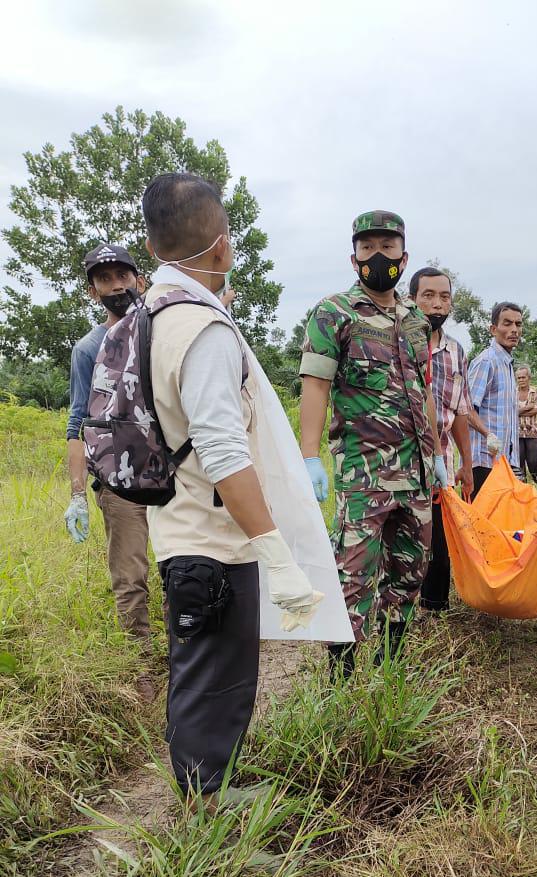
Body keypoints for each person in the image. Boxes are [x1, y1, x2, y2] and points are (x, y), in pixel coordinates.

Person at [141, 172, 321, 798]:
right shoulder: (202, 329)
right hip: (213, 543)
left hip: (178, 528)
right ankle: (206, 821)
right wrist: (278, 556)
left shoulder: (153, 316)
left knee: (208, 680)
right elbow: (223, 451)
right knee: (213, 686)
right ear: (220, 246)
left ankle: (209, 799)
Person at [299, 211, 447, 673]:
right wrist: (308, 456)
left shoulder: (416, 320)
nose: (378, 256)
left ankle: (389, 669)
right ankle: (340, 678)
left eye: (387, 246)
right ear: (353, 256)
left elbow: (422, 392)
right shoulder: (333, 314)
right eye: (368, 248)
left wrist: (439, 454)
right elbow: (316, 385)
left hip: (418, 474)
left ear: (404, 256)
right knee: (354, 577)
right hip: (365, 477)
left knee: (408, 576)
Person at [64, 244, 156, 702]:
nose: (116, 285)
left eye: (123, 275)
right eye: (105, 279)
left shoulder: (162, 328)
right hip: (119, 480)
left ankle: (195, 661)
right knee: (130, 578)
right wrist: (79, 493)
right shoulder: (88, 348)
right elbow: (78, 420)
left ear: (140, 278)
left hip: (174, 474)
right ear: (93, 290)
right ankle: (143, 674)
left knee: (189, 567)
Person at [409, 267, 474, 612]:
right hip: (402, 467)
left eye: (444, 297)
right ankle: (396, 616)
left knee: (440, 545)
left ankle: (433, 613)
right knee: (406, 544)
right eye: (428, 296)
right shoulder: (398, 346)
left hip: (443, 467)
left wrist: (466, 462)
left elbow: (460, 410)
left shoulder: (456, 352)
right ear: (412, 299)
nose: (437, 305)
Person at [467, 302, 523, 494]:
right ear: (493, 329)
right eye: (507, 323)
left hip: (504, 462)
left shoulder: (506, 364)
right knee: (482, 521)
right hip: (484, 461)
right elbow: (466, 409)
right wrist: (488, 435)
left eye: (518, 324)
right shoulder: (487, 361)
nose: (514, 329)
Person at [516, 365, 537, 486]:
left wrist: (518, 411)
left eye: (523, 377)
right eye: (519, 378)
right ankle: (523, 487)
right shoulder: (513, 392)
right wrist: (527, 407)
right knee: (519, 462)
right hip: (517, 433)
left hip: (533, 432)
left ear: (529, 378)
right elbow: (510, 411)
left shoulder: (536, 391)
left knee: (535, 460)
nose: (521, 380)